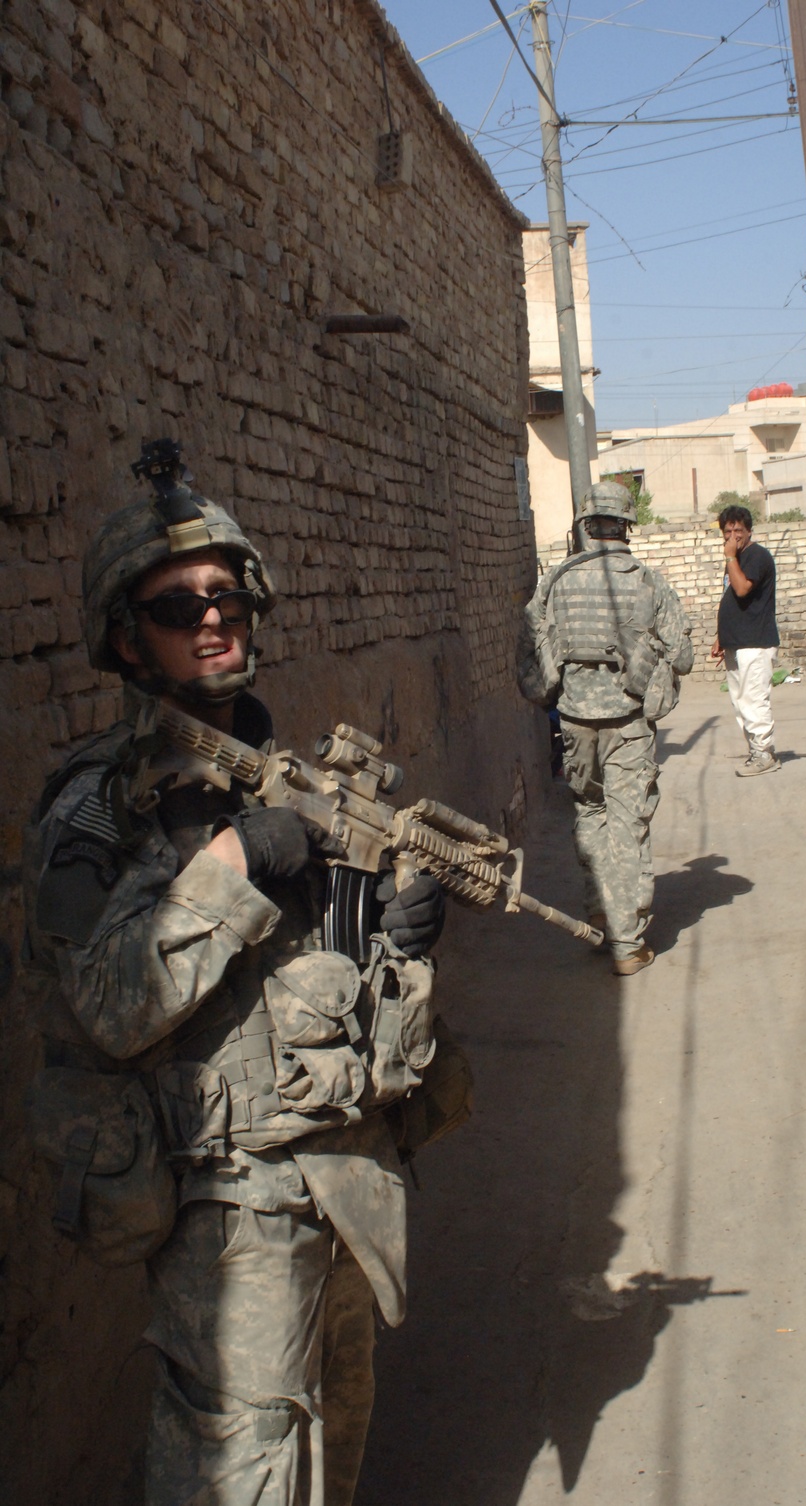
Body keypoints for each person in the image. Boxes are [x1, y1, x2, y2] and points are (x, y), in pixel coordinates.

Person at [22, 444, 446, 1506]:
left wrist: (394, 934)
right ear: (125, 636)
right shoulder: (97, 807)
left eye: (227, 597)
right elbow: (108, 1005)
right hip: (229, 1202)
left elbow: (314, 970)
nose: (211, 619)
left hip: (337, 1170)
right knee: (242, 1465)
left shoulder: (271, 770)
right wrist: (234, 862)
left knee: (335, 1427)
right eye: (176, 606)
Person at [518, 481, 692, 976]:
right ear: (626, 525)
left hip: (573, 719)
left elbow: (531, 649)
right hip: (629, 722)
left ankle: (598, 911)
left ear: (585, 524)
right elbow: (682, 654)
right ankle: (627, 942)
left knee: (590, 811)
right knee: (627, 823)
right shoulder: (648, 582)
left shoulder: (553, 583)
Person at [710, 503, 781, 776]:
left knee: (754, 700)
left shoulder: (756, 556)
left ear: (749, 531)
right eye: (727, 532)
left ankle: (765, 752)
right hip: (737, 643)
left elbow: (741, 589)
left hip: (755, 642)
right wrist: (722, 637)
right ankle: (757, 751)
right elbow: (732, 601)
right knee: (740, 703)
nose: (733, 537)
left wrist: (730, 558)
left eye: (738, 530)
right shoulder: (737, 560)